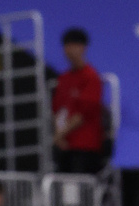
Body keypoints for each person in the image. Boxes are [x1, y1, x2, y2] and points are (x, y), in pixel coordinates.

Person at [52, 27, 105, 174]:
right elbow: (57, 110)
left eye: (73, 45)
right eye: (66, 46)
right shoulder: (63, 78)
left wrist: (60, 134)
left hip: (85, 146)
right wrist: (59, 135)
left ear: (83, 48)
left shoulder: (90, 76)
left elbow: (83, 113)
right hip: (64, 146)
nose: (69, 50)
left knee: (81, 184)